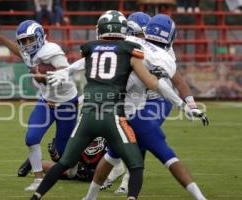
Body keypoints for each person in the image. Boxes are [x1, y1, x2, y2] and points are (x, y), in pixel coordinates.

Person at [30, 10, 195, 200]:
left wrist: (66, 74)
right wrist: (182, 105)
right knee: (136, 162)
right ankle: (127, 192)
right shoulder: (131, 51)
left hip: (91, 114)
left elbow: (82, 65)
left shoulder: (94, 48)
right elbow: (155, 84)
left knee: (66, 161)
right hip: (116, 115)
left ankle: (39, 196)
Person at [86, 13, 209, 200]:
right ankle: (119, 188)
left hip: (155, 100)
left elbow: (169, 83)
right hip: (135, 99)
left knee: (140, 139)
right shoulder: (134, 45)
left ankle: (122, 185)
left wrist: (186, 104)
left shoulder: (160, 53)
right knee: (132, 144)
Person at [0, 20, 78, 191]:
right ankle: (38, 179)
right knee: (31, 138)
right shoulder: (28, 51)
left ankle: (74, 164)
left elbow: (67, 74)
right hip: (46, 100)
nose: (26, 44)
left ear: (39, 36)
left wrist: (43, 78)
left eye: (29, 40)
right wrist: (0, 37)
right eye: (23, 41)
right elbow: (20, 53)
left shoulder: (51, 51)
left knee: (61, 151)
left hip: (66, 102)